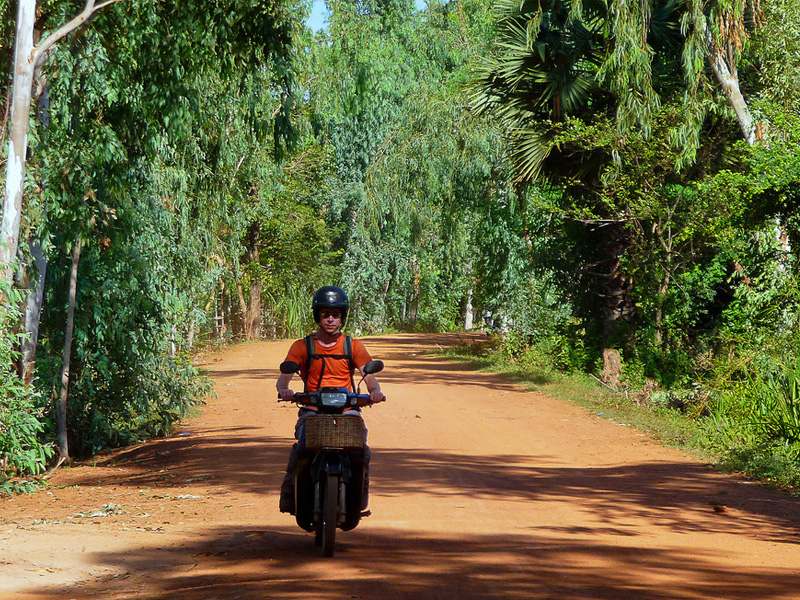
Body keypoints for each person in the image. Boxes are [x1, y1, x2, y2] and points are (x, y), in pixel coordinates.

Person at [276, 285, 385, 514]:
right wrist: (285, 390)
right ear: (318, 316)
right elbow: (283, 378)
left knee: (360, 450)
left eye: (336, 315)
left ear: (342, 317)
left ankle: (358, 501)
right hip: (312, 407)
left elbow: (369, 376)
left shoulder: (352, 345)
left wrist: (375, 392)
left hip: (346, 408)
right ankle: (290, 497)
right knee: (301, 450)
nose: (331, 319)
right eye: (326, 314)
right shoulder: (302, 345)